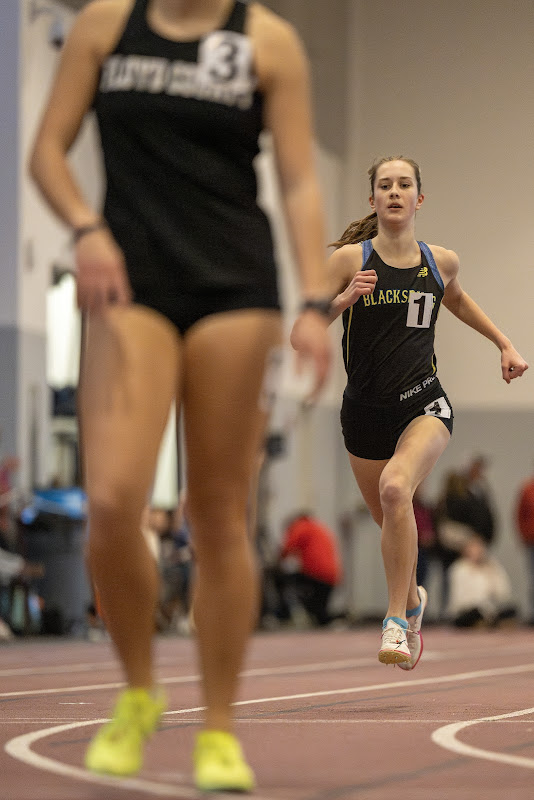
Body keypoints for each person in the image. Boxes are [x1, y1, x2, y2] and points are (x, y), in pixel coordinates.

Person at [30, 0, 333, 792]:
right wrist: (85, 228)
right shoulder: (103, 25)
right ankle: (138, 692)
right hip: (132, 279)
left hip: (236, 285)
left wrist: (313, 304)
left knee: (218, 515)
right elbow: (46, 155)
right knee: (111, 500)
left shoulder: (269, 42)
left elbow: (299, 182)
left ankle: (221, 731)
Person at [292, 155, 528, 671]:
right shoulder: (348, 262)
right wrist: (342, 301)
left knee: (396, 489)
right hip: (362, 414)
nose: (394, 192)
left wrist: (504, 345)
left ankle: (397, 623)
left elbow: (458, 300)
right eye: (384, 185)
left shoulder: (439, 261)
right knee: (390, 521)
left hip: (424, 402)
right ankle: (415, 599)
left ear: (419, 198)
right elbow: (300, 333)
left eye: (404, 185)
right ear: (372, 199)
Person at [268, 511, 343, 627]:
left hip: (315, 574)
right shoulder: (317, 526)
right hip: (331, 577)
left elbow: (288, 547)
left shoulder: (301, 526)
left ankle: (282, 615)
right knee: (320, 615)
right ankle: (333, 618)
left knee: (279, 579)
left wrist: (276, 563)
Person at [446, 534, 518, 628]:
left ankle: (488, 622)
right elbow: (458, 599)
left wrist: (490, 576)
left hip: (490, 609)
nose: (477, 551)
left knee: (511, 610)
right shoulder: (458, 569)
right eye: (473, 548)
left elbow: (504, 592)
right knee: (472, 614)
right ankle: (482, 622)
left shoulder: (492, 566)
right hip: (468, 610)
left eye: (479, 547)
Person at [515, 465, 534, 623]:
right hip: (532, 542)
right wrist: (524, 535)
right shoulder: (527, 489)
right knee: (533, 578)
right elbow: (519, 515)